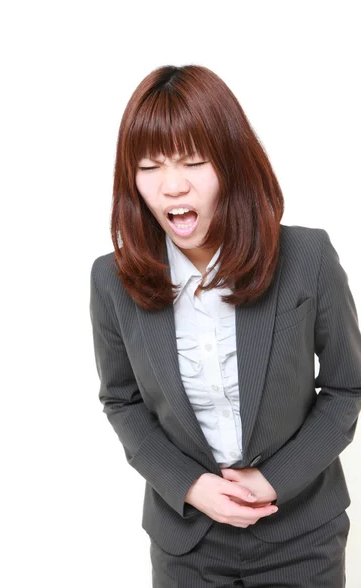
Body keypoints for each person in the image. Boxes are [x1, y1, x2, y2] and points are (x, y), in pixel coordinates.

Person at [89, 64, 361, 587]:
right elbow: (120, 400)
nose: (172, 186)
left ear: (232, 165)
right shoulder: (112, 279)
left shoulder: (308, 257)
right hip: (186, 541)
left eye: (193, 161)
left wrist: (273, 481)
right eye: (150, 166)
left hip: (302, 535)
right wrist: (190, 485)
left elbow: (346, 388)